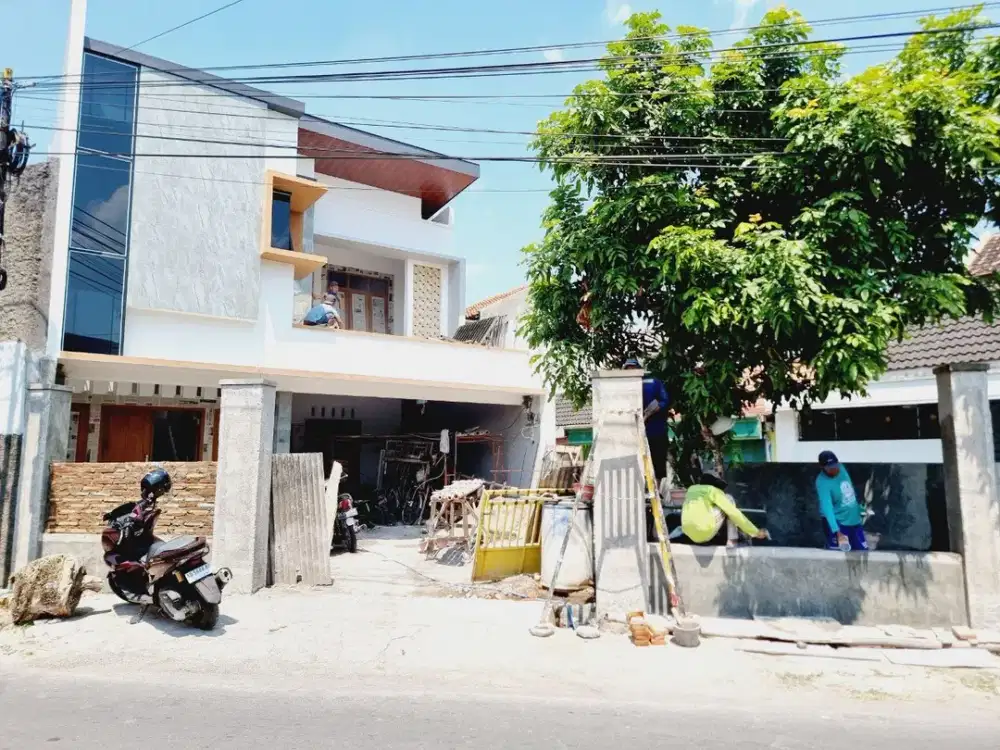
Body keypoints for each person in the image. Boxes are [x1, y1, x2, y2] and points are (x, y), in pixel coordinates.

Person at [674, 472, 768, 547]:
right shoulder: (713, 490)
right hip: (704, 531)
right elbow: (733, 512)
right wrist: (755, 532)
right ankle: (732, 540)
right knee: (729, 499)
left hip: (689, 533)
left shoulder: (691, 489)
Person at [623, 358, 670, 483]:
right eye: (628, 369)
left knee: (657, 461)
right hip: (634, 433)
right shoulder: (623, 387)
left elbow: (665, 401)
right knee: (637, 462)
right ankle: (641, 490)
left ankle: (656, 491)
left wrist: (652, 410)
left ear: (639, 369)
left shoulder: (653, 382)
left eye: (633, 368)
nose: (631, 372)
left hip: (655, 430)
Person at [815, 450, 868, 551]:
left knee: (862, 551)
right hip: (838, 522)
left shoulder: (842, 468)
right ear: (822, 468)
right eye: (830, 468)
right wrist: (837, 532)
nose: (834, 469)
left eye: (835, 465)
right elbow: (827, 508)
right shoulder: (822, 482)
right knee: (839, 555)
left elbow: (849, 490)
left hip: (853, 519)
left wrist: (858, 508)